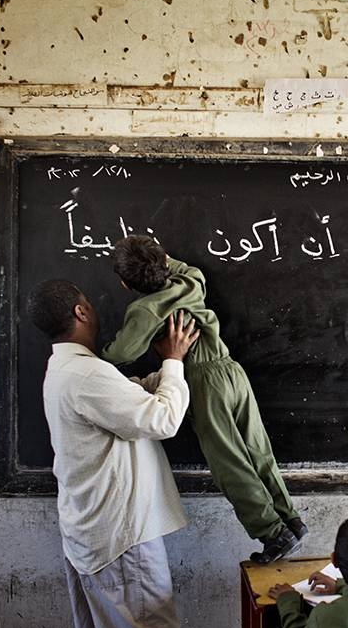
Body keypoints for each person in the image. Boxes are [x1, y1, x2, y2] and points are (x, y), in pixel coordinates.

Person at [100, 235, 306, 563]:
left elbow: (123, 352)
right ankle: (290, 518)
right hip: (231, 371)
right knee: (256, 449)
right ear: (164, 261)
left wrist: (100, 353)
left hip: (203, 380)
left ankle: (272, 532)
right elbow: (190, 269)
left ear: (125, 283)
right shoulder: (188, 283)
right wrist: (164, 258)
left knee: (229, 463)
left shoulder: (143, 309)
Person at [27, 278, 199, 628]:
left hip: (93, 533)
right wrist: (174, 360)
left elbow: (127, 396)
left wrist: (167, 374)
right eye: (90, 301)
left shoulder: (66, 370)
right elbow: (162, 419)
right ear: (81, 312)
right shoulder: (88, 375)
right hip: (121, 541)